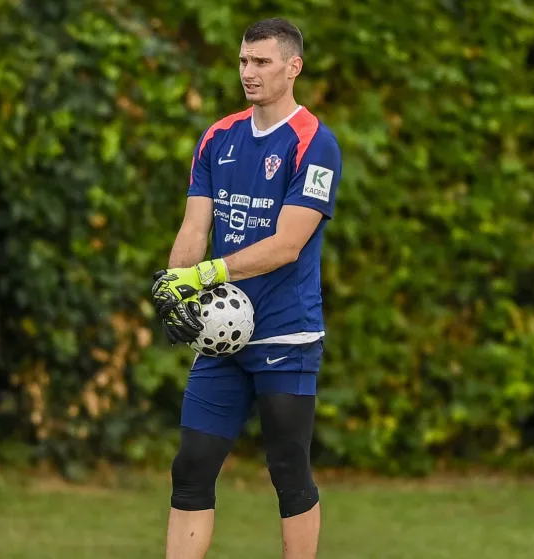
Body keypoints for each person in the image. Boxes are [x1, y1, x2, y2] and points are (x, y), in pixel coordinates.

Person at [150, 18, 342, 559]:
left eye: (261, 62)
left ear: (292, 66)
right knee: (191, 465)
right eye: (243, 61)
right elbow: (195, 228)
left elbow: (287, 245)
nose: (248, 72)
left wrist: (204, 275)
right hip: (221, 335)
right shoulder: (218, 137)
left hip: (285, 335)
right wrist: (177, 287)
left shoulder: (316, 143)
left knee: (288, 469)